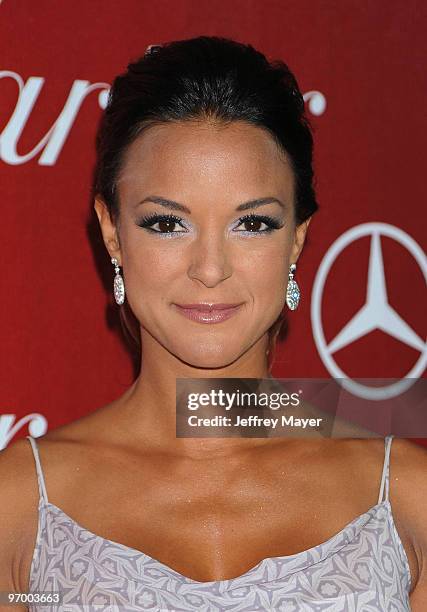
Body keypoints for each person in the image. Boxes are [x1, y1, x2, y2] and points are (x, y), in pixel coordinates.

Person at [0, 35, 425, 611]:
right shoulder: (20, 502)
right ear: (111, 232)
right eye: (166, 224)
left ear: (296, 239)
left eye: (251, 224)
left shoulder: (407, 496)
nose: (210, 270)